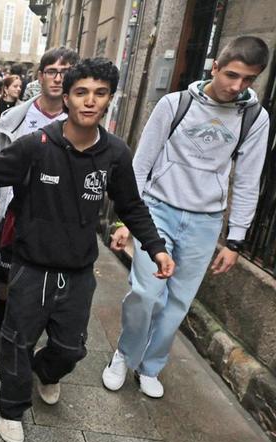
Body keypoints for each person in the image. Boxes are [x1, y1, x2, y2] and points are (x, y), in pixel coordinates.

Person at [0, 58, 175, 442]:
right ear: (68, 97)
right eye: (81, 92)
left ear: (109, 99)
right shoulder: (37, 146)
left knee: (71, 349)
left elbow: (132, 205)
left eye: (100, 93)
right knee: (17, 341)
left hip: (77, 272)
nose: (90, 101)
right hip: (30, 267)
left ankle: (48, 371)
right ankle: (10, 408)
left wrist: (155, 247)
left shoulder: (115, 155)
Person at [104, 36, 271, 398]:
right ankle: (124, 353)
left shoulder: (255, 118)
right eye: (231, 75)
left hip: (206, 220)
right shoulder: (175, 104)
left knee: (178, 300)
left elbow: (247, 180)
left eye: (248, 80)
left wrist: (236, 239)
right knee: (146, 293)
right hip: (157, 209)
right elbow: (141, 164)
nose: (237, 86)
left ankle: (151, 366)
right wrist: (125, 222)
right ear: (215, 67)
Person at [0, 47, 79, 333]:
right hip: (15, 205)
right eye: (52, 72)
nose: (58, 78)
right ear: (41, 76)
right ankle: (2, 304)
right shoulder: (17, 118)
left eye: (65, 73)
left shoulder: (78, 121)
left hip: (56, 211)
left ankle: (28, 313)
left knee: (38, 274)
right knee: (5, 265)